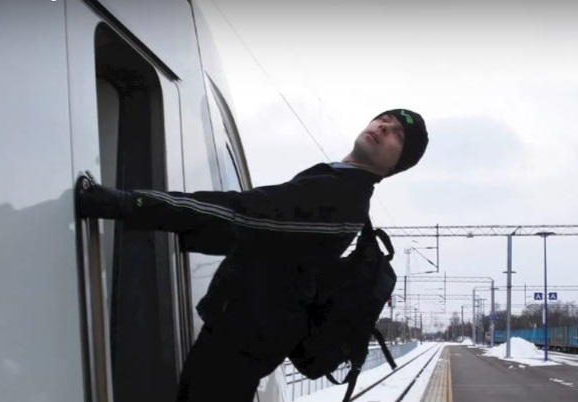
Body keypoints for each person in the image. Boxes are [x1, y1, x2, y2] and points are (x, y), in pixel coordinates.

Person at [75, 108, 429, 402]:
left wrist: (130, 204)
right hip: (246, 331)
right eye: (383, 119)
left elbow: (241, 215)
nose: (383, 127)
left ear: (396, 164)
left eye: (397, 134)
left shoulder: (342, 197)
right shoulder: (336, 182)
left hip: (245, 340)